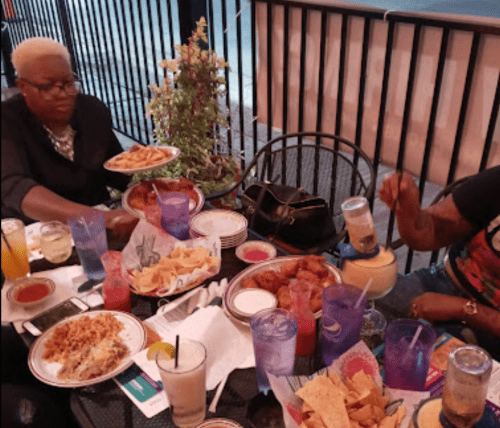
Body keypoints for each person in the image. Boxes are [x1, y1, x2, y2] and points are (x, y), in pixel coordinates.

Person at [1, 37, 138, 237]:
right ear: (23, 87)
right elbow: (14, 187)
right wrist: (100, 217)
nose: (63, 93)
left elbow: (114, 171)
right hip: (40, 238)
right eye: (47, 86)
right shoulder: (7, 121)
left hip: (99, 234)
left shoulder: (93, 111)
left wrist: (138, 168)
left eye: (68, 83)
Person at [378, 166, 500, 357]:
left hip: (492, 336)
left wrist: (462, 309)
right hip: (442, 283)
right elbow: (434, 230)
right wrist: (410, 211)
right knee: (351, 311)